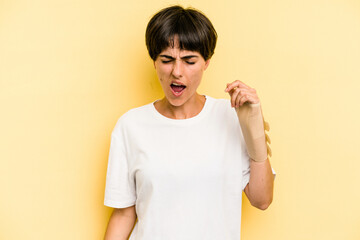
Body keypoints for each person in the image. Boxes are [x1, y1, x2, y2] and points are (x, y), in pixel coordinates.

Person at [104, 5, 274, 240]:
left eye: (189, 60)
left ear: (206, 62)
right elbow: (123, 215)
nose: (177, 71)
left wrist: (254, 132)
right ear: (154, 61)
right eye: (167, 59)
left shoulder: (232, 117)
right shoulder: (130, 125)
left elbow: (262, 200)